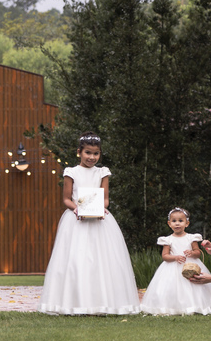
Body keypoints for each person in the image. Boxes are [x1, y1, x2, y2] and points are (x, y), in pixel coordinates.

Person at [37, 134, 140, 315]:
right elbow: (67, 199)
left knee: (102, 260)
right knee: (76, 258)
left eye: (96, 153)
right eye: (88, 153)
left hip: (99, 221)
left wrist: (99, 208)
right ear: (79, 152)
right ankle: (74, 302)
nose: (92, 157)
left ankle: (103, 302)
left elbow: (105, 198)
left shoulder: (102, 172)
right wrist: (78, 209)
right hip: (76, 221)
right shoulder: (71, 172)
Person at [139, 208, 211, 315]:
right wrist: (175, 257)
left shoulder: (191, 238)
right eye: (174, 221)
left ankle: (195, 306)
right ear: (169, 224)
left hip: (190, 265)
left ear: (187, 223)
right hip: (172, 267)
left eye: (180, 221)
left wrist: (192, 253)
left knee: (194, 286)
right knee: (171, 288)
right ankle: (171, 307)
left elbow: (198, 252)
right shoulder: (168, 240)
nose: (177, 223)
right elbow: (165, 256)